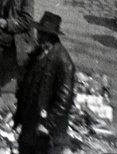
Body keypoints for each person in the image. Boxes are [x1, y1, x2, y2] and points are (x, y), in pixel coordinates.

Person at [14, 13, 75, 154]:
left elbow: (64, 100)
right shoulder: (38, 53)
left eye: (43, 34)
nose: (39, 37)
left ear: (52, 37)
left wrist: (47, 124)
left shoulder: (64, 62)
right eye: (40, 33)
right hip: (30, 124)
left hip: (47, 130)